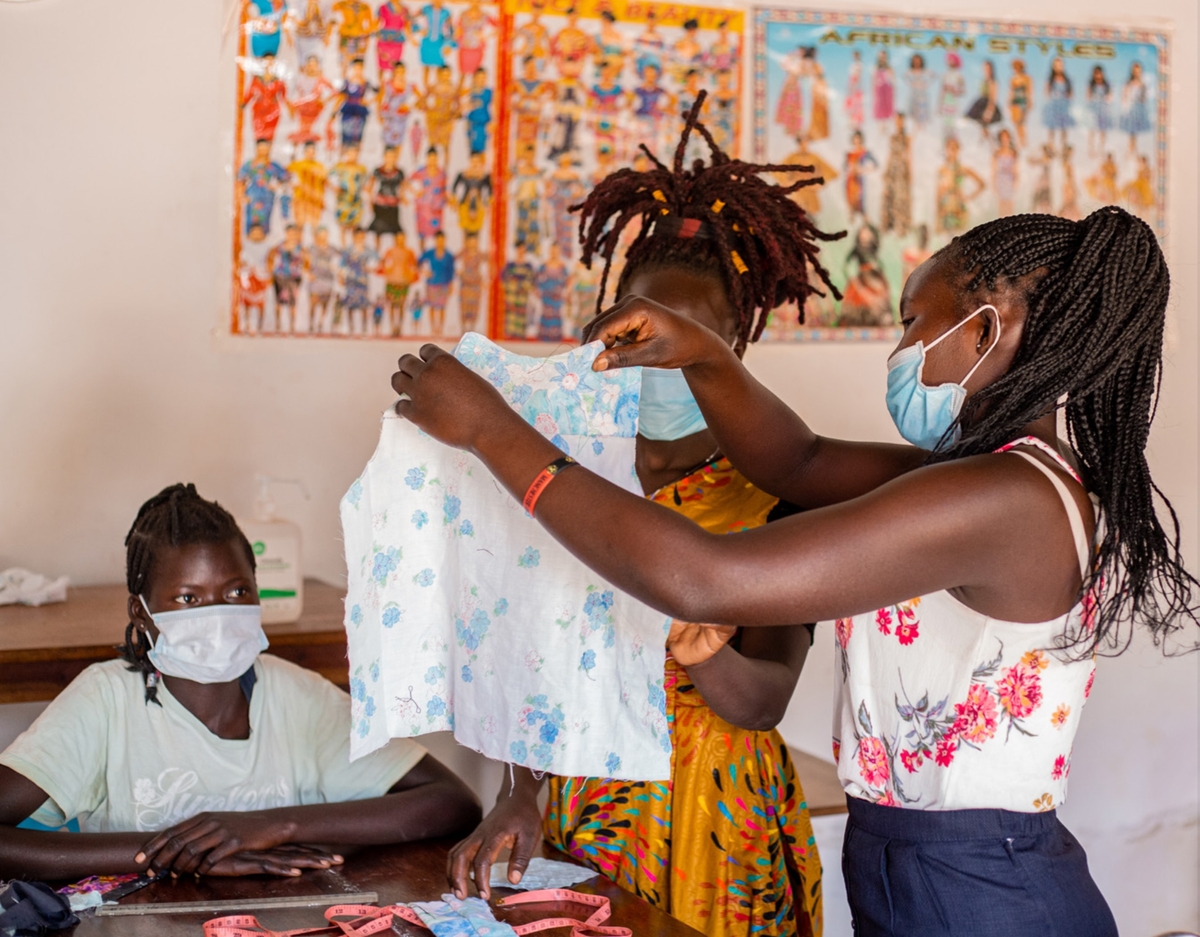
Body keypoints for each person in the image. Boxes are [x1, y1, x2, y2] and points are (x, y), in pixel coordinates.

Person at [394, 176, 1193, 937]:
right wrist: (705, 356)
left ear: (983, 330)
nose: (903, 347)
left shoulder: (1001, 500)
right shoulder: (978, 477)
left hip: (980, 882)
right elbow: (799, 462)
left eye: (917, 323)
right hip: (921, 861)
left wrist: (490, 430)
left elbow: (707, 578)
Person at [446, 98, 834, 937]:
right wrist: (518, 795)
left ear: (734, 349)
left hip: (714, 818)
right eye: (643, 328)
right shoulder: (560, 478)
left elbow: (764, 699)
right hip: (583, 809)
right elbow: (530, 668)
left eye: (692, 338)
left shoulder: (774, 495)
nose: (658, 356)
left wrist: (700, 647)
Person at [0, 485, 480, 879]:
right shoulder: (105, 700)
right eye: (188, 598)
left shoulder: (297, 695)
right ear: (141, 614)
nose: (218, 613)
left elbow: (453, 803)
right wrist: (189, 853)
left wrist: (271, 825)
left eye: (236, 591)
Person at [380, 230, 419, 336]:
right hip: (392, 281)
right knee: (392, 304)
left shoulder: (409, 252)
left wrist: (410, 276)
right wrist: (388, 272)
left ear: (405, 239)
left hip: (403, 281)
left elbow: (414, 266)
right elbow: (383, 263)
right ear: (395, 239)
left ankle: (400, 326)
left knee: (401, 304)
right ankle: (393, 326)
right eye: (398, 238)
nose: (400, 241)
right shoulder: (390, 251)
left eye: (402, 238)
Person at [367, 147, 406, 251]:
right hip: (380, 204)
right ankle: (377, 251)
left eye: (392, 156)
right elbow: (370, 187)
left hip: (393, 205)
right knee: (378, 230)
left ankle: (394, 251)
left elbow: (403, 187)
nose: (390, 158)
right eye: (388, 156)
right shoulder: (378, 171)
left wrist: (403, 197)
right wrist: (370, 201)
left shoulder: (399, 172)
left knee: (395, 230)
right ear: (384, 157)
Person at [417, 229, 455, 335]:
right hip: (432, 283)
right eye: (438, 240)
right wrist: (424, 271)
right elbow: (419, 261)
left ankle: (440, 329)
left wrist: (451, 284)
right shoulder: (430, 253)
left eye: (442, 240)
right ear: (435, 240)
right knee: (433, 306)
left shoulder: (448, 255)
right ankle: (433, 328)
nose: (440, 242)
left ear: (445, 240)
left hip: (444, 284)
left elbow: (451, 271)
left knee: (442, 307)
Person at [880, 112, 911, 237]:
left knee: (901, 199)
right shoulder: (892, 137)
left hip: (902, 170)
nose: (898, 123)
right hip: (892, 169)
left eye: (900, 120)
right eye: (897, 120)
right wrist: (886, 170)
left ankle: (901, 227)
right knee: (889, 197)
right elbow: (890, 154)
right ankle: (889, 226)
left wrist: (909, 172)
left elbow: (909, 155)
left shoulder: (907, 138)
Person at [306, 226, 339, 332]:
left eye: (325, 236)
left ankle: (321, 322)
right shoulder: (311, 249)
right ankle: (311, 323)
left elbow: (339, 262)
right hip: (316, 279)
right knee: (313, 302)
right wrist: (308, 273)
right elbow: (305, 262)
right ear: (316, 236)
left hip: (328, 280)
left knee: (325, 303)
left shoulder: (332, 249)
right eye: (320, 236)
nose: (323, 238)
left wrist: (337, 270)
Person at [1119, 61, 1152, 155]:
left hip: (1138, 108)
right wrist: (1125, 106)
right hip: (1130, 108)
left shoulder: (1143, 84)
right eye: (1135, 71)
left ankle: (1134, 149)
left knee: (1135, 131)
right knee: (1131, 131)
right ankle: (1130, 149)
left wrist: (1142, 100)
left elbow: (1144, 98)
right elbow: (1124, 95)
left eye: (1139, 71)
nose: (1137, 73)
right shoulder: (1128, 83)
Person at [965, 60, 1001, 142]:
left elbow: (993, 98)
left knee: (985, 126)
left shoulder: (993, 82)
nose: (986, 71)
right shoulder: (983, 81)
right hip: (980, 104)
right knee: (982, 126)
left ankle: (988, 141)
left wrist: (989, 111)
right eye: (984, 68)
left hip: (987, 106)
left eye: (987, 69)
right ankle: (983, 141)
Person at [1044, 57, 1074, 152]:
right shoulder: (1051, 79)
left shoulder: (1067, 80)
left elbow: (1071, 93)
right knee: (1052, 126)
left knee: (1063, 126)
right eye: (1056, 65)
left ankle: (1063, 145)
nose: (1058, 67)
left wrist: (1066, 98)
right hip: (1053, 104)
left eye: (1060, 65)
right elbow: (1046, 91)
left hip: (1064, 105)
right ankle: (1051, 144)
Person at [1086, 65, 1112, 157]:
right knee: (1092, 130)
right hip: (1093, 108)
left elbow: (1110, 97)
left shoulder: (1106, 85)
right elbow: (1087, 96)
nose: (1098, 76)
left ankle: (1101, 149)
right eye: (1096, 74)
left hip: (1103, 109)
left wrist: (1106, 103)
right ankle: (1091, 149)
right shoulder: (1091, 84)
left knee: (1102, 130)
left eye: (1099, 73)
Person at [993, 128, 1019, 217]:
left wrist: (1016, 182)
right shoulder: (997, 153)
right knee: (1001, 205)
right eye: (1002, 137)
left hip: (1010, 180)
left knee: (1010, 205)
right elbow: (994, 170)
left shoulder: (1013, 153)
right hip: (1001, 179)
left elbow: (1016, 170)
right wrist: (994, 184)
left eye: (1006, 137)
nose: (1005, 139)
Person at [1009, 59, 1033, 148]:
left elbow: (1029, 90)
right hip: (1015, 102)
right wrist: (1009, 103)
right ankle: (1019, 140)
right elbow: (1011, 91)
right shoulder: (1013, 78)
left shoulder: (1026, 78)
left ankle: (1023, 140)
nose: (1015, 69)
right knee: (1016, 123)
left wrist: (1030, 101)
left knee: (1022, 122)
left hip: (1023, 101)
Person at [905, 53, 932, 129]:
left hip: (922, 95)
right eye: (915, 61)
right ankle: (914, 126)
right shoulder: (910, 71)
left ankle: (922, 126)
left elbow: (933, 76)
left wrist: (925, 84)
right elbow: (905, 77)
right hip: (914, 95)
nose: (916, 62)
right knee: (913, 111)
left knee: (922, 110)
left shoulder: (924, 71)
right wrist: (912, 83)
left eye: (918, 60)